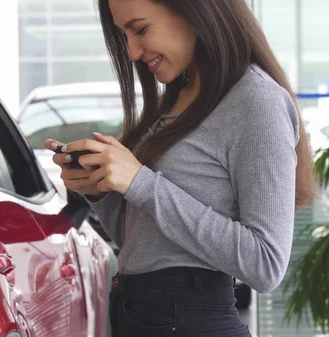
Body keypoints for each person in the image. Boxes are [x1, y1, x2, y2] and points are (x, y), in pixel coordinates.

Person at [45, 0, 316, 336]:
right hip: (138, 314)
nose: (131, 52)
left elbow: (266, 264)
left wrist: (141, 183)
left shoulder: (256, 101)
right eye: (123, 34)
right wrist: (98, 191)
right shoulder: (177, 99)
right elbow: (149, 243)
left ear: (194, 11)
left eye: (141, 29)